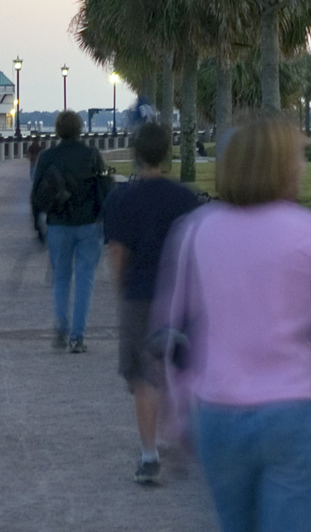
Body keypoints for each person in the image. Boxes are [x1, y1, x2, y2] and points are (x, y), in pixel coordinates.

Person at [153, 111, 311, 532]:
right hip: (293, 413)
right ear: (278, 166)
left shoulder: (195, 230)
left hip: (219, 413)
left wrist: (178, 411)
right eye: (297, 158)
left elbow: (174, 332)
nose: (302, 168)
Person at [102, 120, 200, 485]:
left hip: (139, 295)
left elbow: (116, 252)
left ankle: (149, 454)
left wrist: (120, 290)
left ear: (135, 153)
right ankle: (185, 439)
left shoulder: (123, 199)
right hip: (180, 297)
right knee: (183, 370)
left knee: (144, 379)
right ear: (167, 152)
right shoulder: (186, 199)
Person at [30, 109, 112, 352]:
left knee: (62, 279)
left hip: (58, 225)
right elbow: (105, 188)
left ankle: (61, 329)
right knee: (85, 280)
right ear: (80, 129)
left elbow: (36, 195)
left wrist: (38, 227)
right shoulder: (92, 155)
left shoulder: (47, 157)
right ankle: (78, 336)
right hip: (89, 226)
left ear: (57, 130)